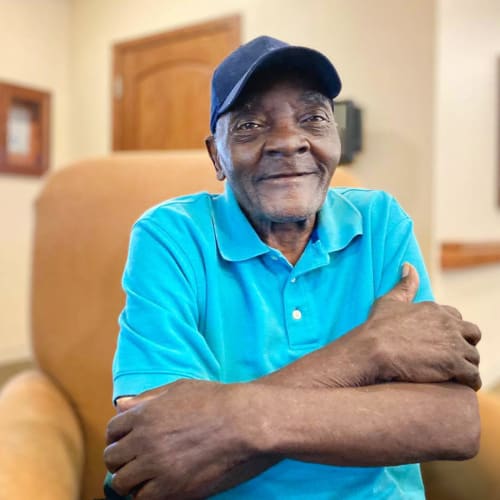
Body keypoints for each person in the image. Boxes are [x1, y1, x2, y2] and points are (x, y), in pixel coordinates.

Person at [103, 36, 481, 500]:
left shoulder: (380, 221)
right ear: (216, 156)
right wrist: (368, 352)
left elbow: (453, 425)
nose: (287, 141)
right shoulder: (170, 235)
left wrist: (227, 420)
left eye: (313, 118)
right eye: (249, 125)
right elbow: (158, 461)